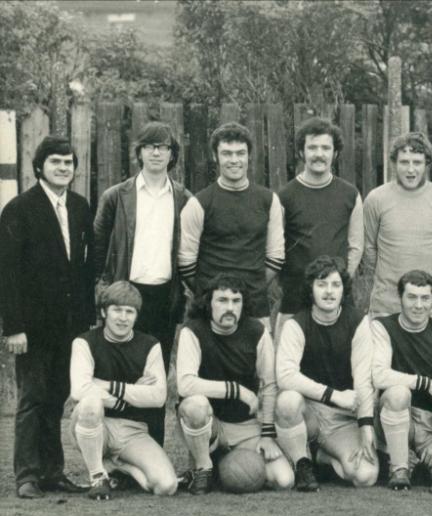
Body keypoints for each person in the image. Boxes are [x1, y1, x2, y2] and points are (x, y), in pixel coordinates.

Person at [0, 134, 94, 499]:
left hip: (69, 325)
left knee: (57, 396)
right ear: (39, 167)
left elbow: (85, 269)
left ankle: (53, 472)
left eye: (68, 162)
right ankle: (27, 475)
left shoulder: (81, 207)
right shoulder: (19, 210)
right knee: (32, 398)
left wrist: (85, 321)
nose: (63, 168)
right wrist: (14, 327)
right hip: (32, 327)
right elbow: (7, 274)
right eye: (56, 162)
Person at [93, 121, 193, 446]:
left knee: (155, 378)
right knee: (119, 375)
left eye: (163, 147)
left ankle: (153, 451)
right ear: (139, 153)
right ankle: (117, 455)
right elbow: (97, 250)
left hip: (164, 298)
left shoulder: (183, 198)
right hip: (125, 296)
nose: (156, 152)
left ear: (171, 154)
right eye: (149, 146)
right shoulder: (116, 196)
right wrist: (104, 293)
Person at [176, 273, 294, 494]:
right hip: (209, 423)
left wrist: (268, 435)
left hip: (245, 425)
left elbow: (269, 385)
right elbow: (185, 384)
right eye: (222, 300)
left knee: (283, 480)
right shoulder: (192, 331)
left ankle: (220, 465)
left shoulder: (257, 332)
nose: (230, 307)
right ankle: (203, 466)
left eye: (236, 301)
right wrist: (236, 390)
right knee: (195, 405)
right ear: (208, 303)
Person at [274, 256, 376, 491]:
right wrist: (333, 395)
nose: (329, 292)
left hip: (341, 419)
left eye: (335, 285)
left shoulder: (358, 322)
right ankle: (302, 462)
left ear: (344, 290)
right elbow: (286, 375)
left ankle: (321, 457)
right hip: (307, 412)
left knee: (365, 476)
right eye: (322, 284)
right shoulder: (296, 324)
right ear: (311, 289)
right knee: (287, 400)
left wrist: (366, 425)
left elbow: (363, 379)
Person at [69, 282, 177, 500]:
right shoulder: (84, 342)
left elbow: (158, 397)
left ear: (136, 316)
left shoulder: (150, 345)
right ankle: (98, 476)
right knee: (90, 403)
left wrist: (106, 385)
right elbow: (80, 390)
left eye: (129, 312)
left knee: (166, 486)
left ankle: (119, 467)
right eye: (116, 310)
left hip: (133, 430)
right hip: (97, 424)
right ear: (103, 312)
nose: (123, 318)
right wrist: (126, 397)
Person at [178, 122, 285, 327]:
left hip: (255, 305)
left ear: (248, 156)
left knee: (258, 358)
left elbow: (276, 256)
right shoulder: (199, 203)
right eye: (227, 153)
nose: (234, 160)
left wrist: (252, 287)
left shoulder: (268, 200)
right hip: (209, 308)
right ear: (215, 157)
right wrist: (210, 291)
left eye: (240, 153)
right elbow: (185, 261)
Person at [371, 270, 432, 490]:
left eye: (425, 298)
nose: (418, 305)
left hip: (428, 421)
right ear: (401, 299)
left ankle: (421, 463)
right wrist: (424, 383)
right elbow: (379, 375)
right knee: (398, 393)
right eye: (412, 297)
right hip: (392, 415)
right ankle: (399, 469)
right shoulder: (382, 327)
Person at [276, 117, 363, 331]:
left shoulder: (350, 194)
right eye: (312, 147)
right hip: (295, 299)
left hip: (337, 300)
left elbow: (356, 246)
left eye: (326, 148)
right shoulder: (285, 196)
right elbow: (275, 249)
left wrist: (339, 283)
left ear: (335, 153)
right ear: (301, 152)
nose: (319, 154)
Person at [362, 131, 432, 322]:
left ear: (427, 164)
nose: (411, 169)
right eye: (404, 162)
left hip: (431, 309)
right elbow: (369, 248)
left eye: (417, 162)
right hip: (387, 306)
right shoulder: (376, 199)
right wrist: (388, 274)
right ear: (394, 163)